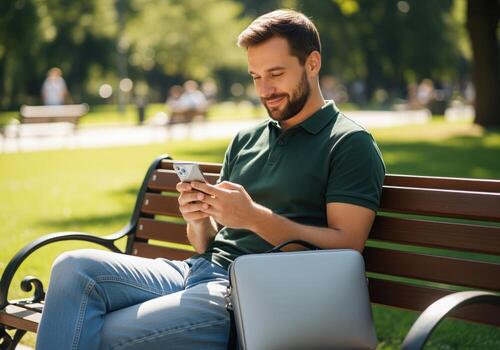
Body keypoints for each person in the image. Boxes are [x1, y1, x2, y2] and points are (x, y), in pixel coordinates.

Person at [36, 9, 385, 349]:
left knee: (97, 332)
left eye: (276, 73)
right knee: (73, 268)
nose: (264, 89)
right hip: (198, 272)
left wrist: (254, 218)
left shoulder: (348, 143)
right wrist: (199, 219)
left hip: (252, 297)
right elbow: (207, 245)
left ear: (312, 63)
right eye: (255, 76)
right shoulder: (245, 139)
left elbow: (347, 247)